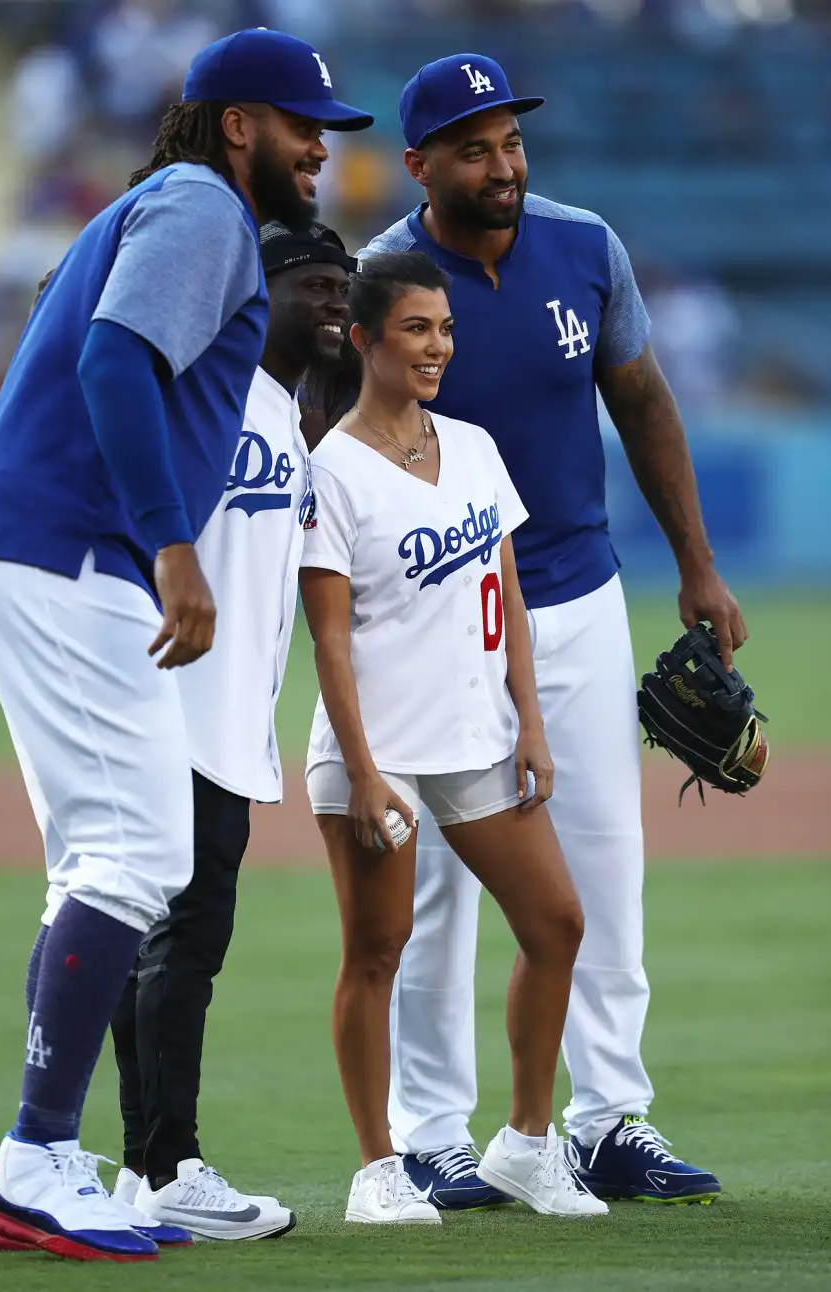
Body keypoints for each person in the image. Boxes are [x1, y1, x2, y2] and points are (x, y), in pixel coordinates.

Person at [0, 28, 372, 1263]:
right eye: (304, 126)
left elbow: (74, 328)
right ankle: (32, 1157)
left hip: (23, 542)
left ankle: (53, 1152)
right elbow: (116, 358)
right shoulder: (201, 207)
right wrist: (171, 546)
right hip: (71, 548)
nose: (319, 153)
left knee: (98, 860)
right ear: (239, 123)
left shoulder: (156, 203)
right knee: (140, 850)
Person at [361, 53, 745, 1209]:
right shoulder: (384, 276)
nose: (503, 164)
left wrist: (697, 565)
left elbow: (641, 401)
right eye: (474, 148)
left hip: (576, 594)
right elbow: (348, 450)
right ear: (422, 163)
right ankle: (432, 1132)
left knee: (603, 863)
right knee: (440, 886)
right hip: (434, 613)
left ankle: (607, 1118)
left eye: (512, 141)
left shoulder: (588, 246)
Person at [299, 251, 608, 1225]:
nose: (437, 346)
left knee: (556, 922)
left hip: (478, 737)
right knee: (377, 950)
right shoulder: (333, 469)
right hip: (375, 749)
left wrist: (532, 720)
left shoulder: (473, 445)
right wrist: (361, 770)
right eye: (415, 329)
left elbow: (507, 594)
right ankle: (378, 1168)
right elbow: (330, 639)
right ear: (365, 339)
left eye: (445, 329)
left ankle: (524, 1141)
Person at [107, 220, 355, 1241]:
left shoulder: (287, 414)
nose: (336, 300)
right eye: (314, 284)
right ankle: (173, 1164)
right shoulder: (209, 394)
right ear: (258, 290)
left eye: (345, 284)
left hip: (222, 715)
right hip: (177, 705)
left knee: (155, 940)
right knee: (186, 939)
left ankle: (139, 1169)